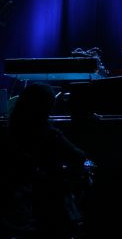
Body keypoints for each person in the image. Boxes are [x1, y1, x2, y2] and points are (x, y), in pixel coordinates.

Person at [0, 83, 92, 238]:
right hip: (48, 200)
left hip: (17, 203)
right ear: (46, 106)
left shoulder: (10, 131)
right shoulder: (49, 134)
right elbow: (77, 156)